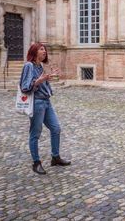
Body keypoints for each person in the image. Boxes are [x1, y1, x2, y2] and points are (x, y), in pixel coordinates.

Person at [19, 43, 71, 175]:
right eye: (41, 49)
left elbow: (41, 82)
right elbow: (25, 87)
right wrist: (40, 80)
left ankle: (55, 157)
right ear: (34, 51)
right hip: (37, 103)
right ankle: (36, 163)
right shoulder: (29, 66)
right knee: (35, 133)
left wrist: (49, 77)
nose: (44, 51)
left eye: (45, 49)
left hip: (46, 101)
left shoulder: (39, 66)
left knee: (56, 128)